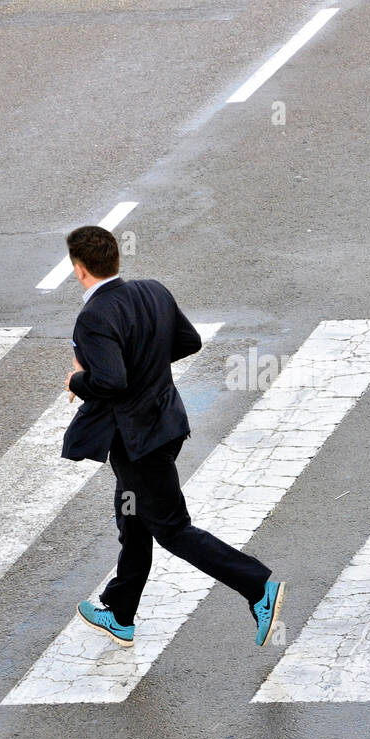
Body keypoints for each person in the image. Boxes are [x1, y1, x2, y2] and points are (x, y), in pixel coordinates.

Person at [60, 225, 284, 644]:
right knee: (132, 516)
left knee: (173, 529)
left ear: (79, 269)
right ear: (114, 260)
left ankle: (258, 587)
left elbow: (110, 382)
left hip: (137, 440)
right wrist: (147, 368)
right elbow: (189, 341)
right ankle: (120, 612)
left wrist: (77, 381)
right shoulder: (152, 291)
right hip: (166, 424)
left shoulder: (93, 317)